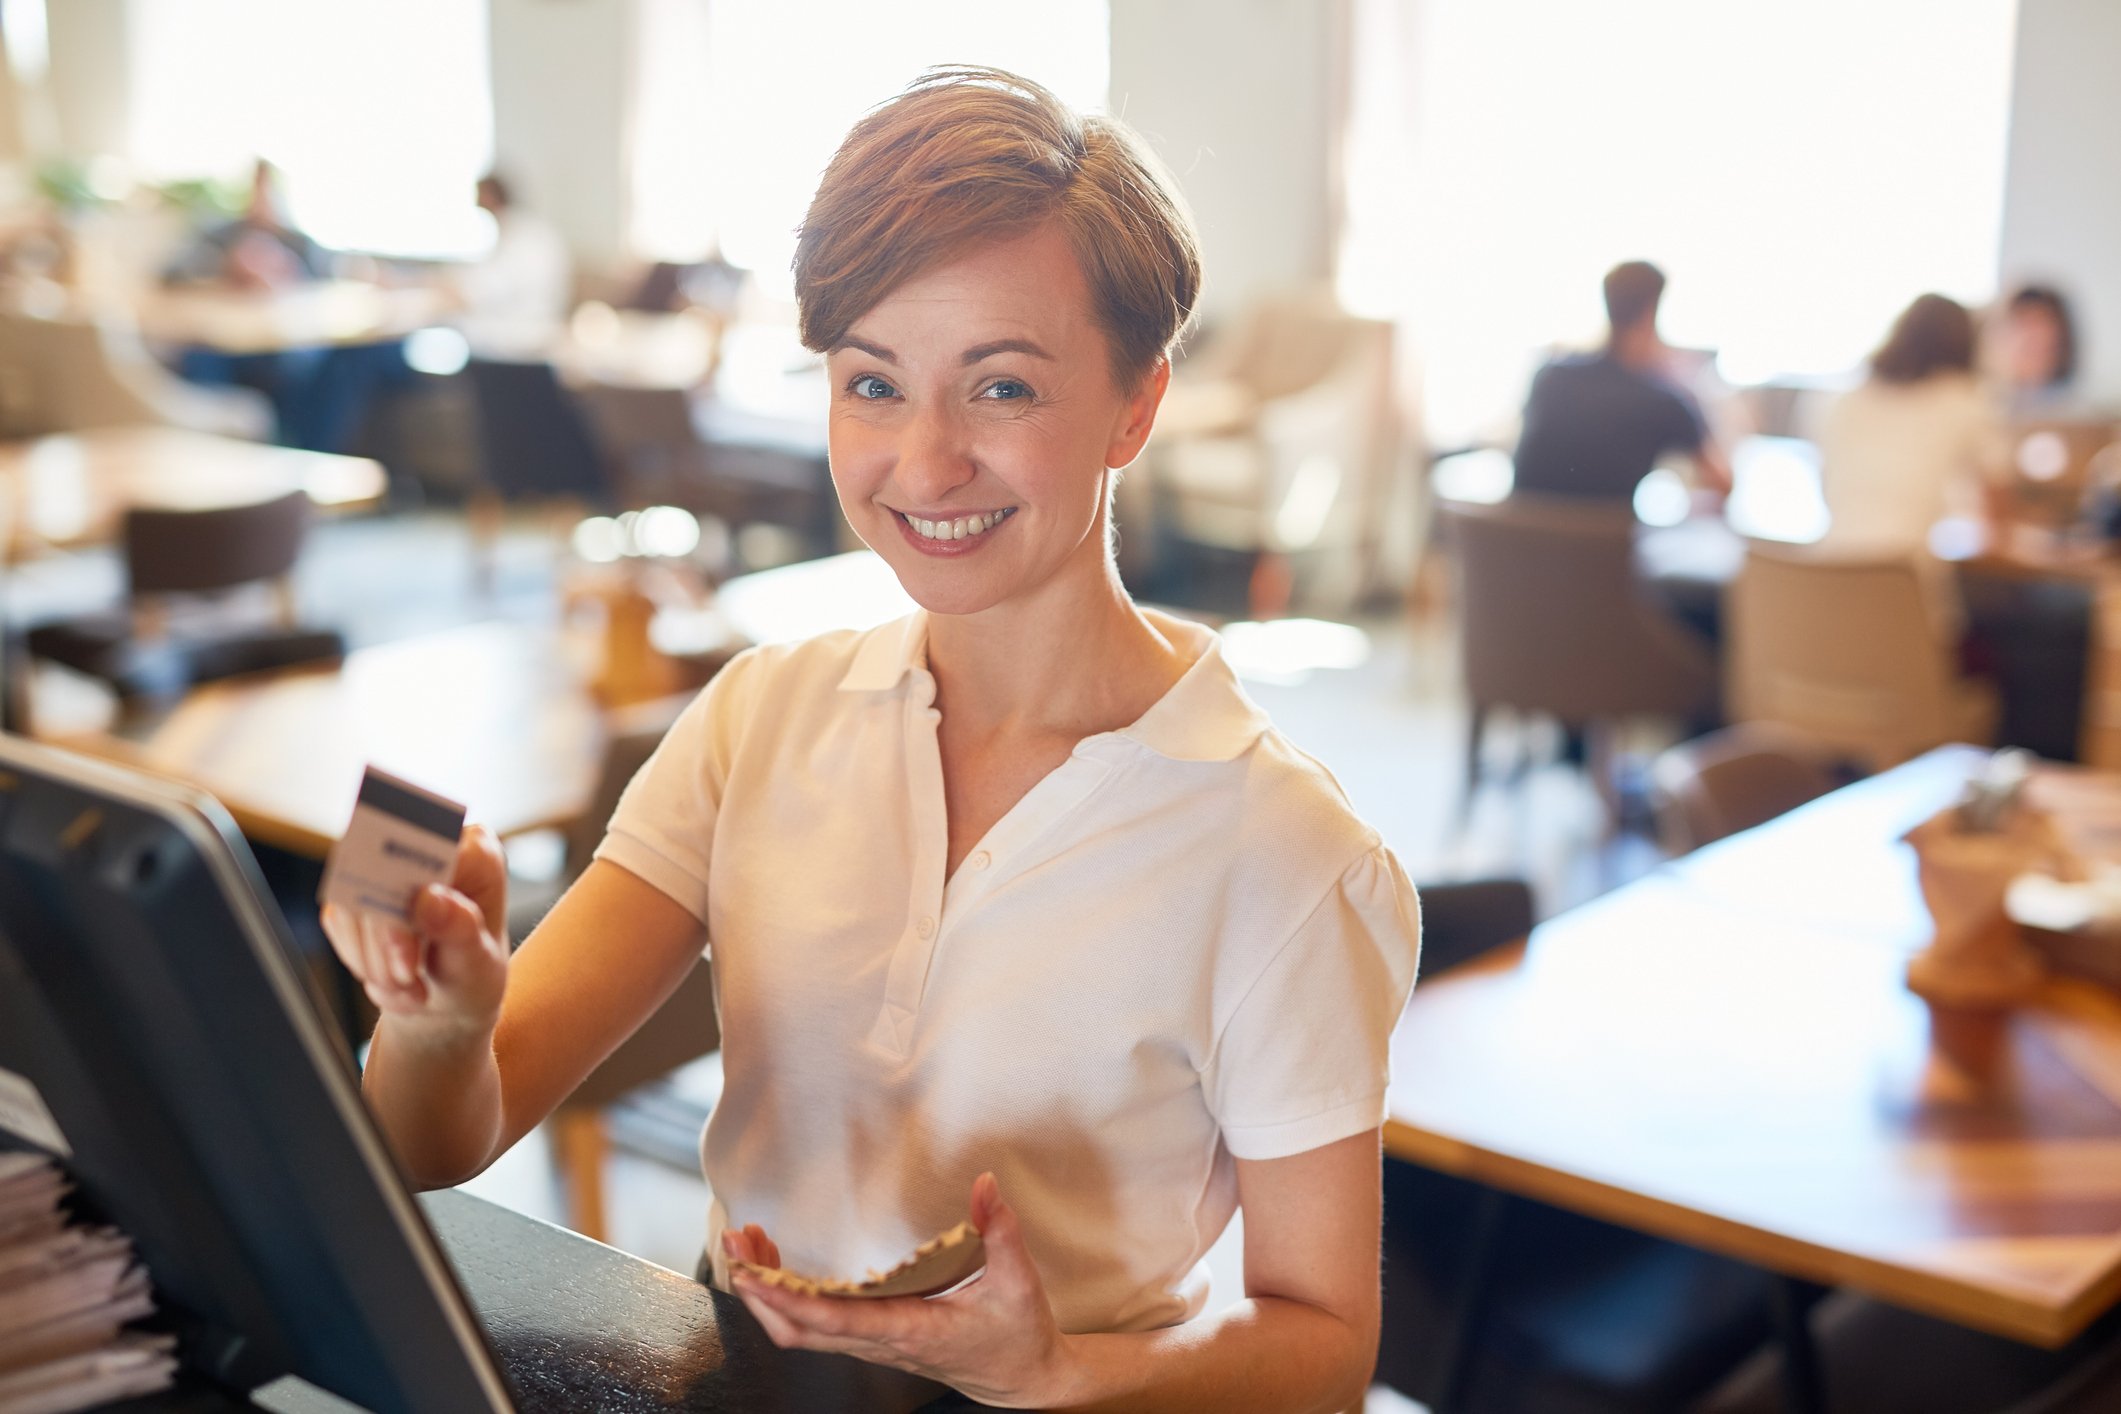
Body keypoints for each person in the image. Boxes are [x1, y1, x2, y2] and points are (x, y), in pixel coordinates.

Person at [324, 68, 1420, 1411]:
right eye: (872, 383)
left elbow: (1323, 1349)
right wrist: (440, 1023)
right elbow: (436, 1138)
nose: (925, 460)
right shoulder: (758, 716)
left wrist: (1059, 1368)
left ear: (1136, 405)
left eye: (1002, 387)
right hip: (739, 1379)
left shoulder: (1287, 854)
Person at [1819, 292, 2090, 761]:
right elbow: (1998, 522)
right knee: (2044, 641)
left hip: (1825, 623)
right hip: (1906, 632)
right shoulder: (1965, 401)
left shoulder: (1843, 400)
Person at [1510, 261, 1732, 503]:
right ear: (1651, 314)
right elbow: (1723, 482)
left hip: (1515, 540)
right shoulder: (1663, 400)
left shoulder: (1549, 376)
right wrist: (1694, 386)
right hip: (1602, 541)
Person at [452, 172, 572, 356]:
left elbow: (479, 291)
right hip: (533, 332)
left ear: (491, 197)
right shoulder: (534, 231)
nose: (476, 203)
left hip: (516, 341)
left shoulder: (521, 239)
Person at [1991, 283, 2080, 414]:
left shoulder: (2077, 413)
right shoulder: (1988, 406)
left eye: (2038, 322)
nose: (2028, 335)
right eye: (2022, 322)